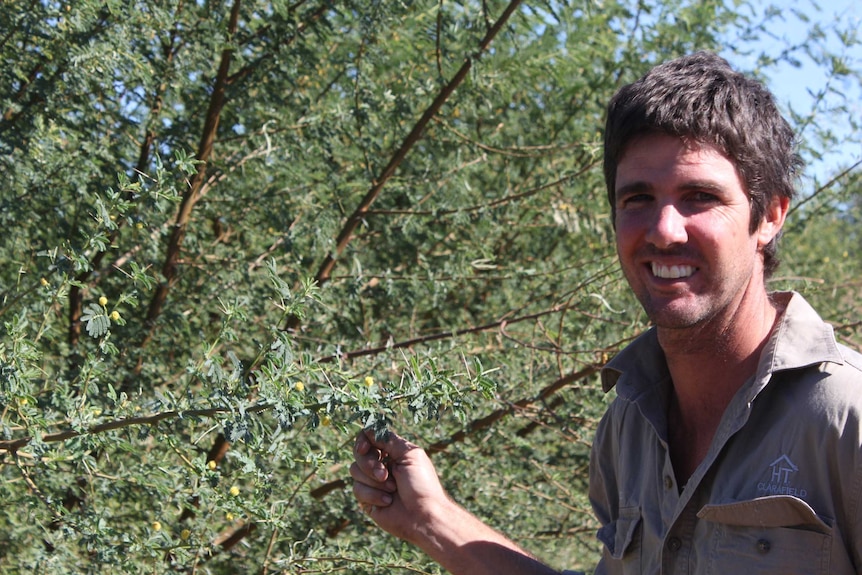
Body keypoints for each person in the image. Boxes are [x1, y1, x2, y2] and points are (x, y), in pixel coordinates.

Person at [350, 51, 862, 575]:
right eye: (637, 198)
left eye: (700, 197)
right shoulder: (628, 425)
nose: (664, 230)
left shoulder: (845, 418)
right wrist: (430, 519)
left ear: (770, 215)